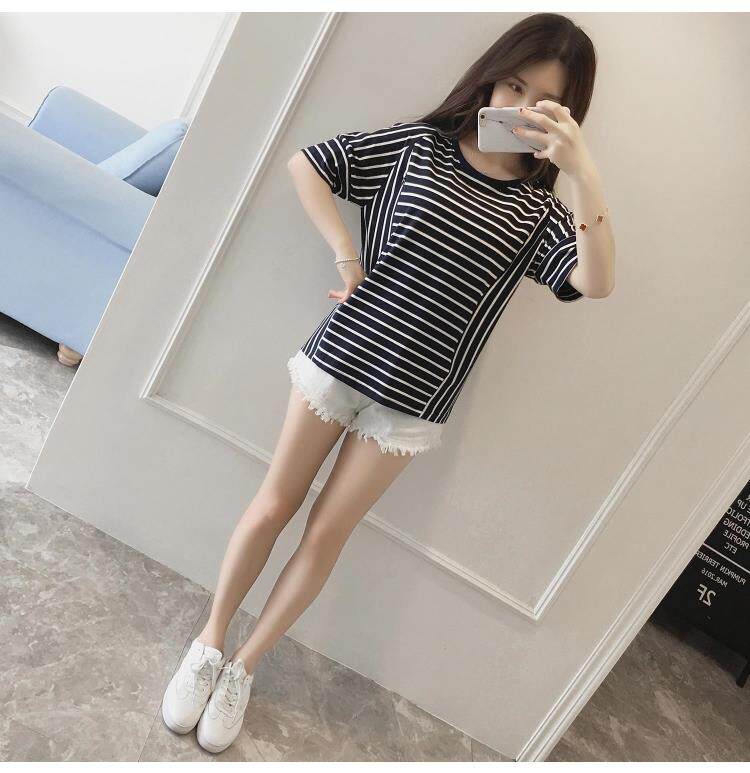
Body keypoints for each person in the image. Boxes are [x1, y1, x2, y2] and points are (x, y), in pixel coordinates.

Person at [161, 11, 615, 754]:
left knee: (327, 533)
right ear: (490, 78)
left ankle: (244, 666)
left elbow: (596, 282)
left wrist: (587, 173)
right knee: (274, 503)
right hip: (341, 359)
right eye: (512, 84)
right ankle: (209, 643)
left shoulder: (540, 212)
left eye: (543, 100)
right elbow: (311, 164)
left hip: (415, 402)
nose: (517, 106)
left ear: (565, 116)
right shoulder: (419, 147)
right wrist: (347, 255)